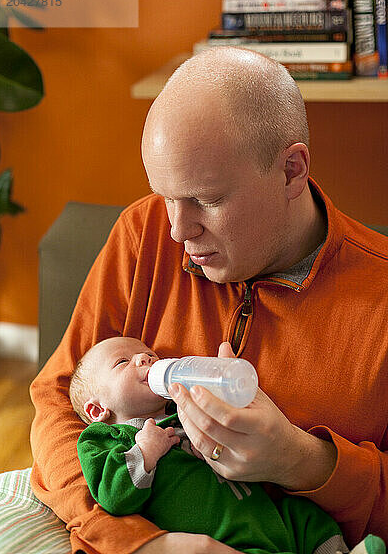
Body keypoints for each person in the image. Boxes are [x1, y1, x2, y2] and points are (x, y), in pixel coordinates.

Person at [30, 47, 388, 554]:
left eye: (208, 199)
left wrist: (303, 461)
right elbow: (57, 400)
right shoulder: (143, 232)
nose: (177, 229)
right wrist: (144, 543)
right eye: (165, 195)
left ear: (291, 170)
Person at [70, 335, 380, 554]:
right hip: (221, 534)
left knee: (305, 517)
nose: (146, 358)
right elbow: (113, 497)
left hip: (261, 506)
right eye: (123, 362)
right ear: (98, 410)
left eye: (149, 354)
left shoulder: (182, 410)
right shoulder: (104, 440)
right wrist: (144, 452)